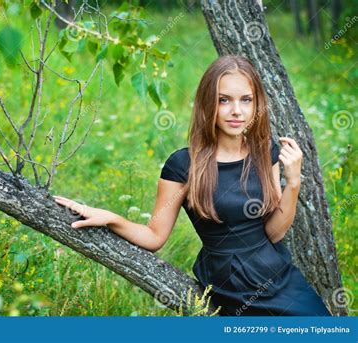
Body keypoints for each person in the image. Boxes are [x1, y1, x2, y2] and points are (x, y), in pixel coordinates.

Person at [53, 55, 332, 316]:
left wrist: (293, 183)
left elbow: (273, 234)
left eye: (246, 100)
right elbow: (154, 236)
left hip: (278, 273)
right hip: (232, 281)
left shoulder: (265, 152)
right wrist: (111, 218)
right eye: (224, 100)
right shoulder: (184, 165)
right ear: (208, 103)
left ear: (257, 104)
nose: (237, 111)